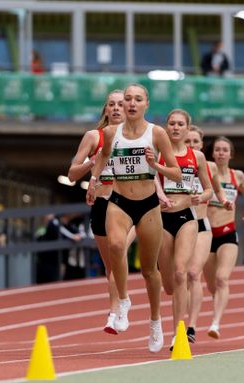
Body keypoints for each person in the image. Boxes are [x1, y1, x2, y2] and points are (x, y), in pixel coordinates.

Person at [87, 83, 182, 352]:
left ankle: (155, 322)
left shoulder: (158, 134)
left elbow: (175, 173)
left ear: (146, 104)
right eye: (127, 99)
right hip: (118, 201)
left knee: (151, 271)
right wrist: (94, 180)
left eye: (137, 99)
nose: (130, 104)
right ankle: (125, 301)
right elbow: (103, 158)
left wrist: (156, 165)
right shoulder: (109, 132)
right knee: (116, 246)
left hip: (148, 205)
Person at [68, 89, 132, 334]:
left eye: (120, 104)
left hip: (130, 204)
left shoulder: (139, 137)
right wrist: (90, 164)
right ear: (105, 109)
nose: (116, 108)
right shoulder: (93, 137)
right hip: (102, 205)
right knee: (110, 266)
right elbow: (72, 174)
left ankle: (115, 311)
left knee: (119, 253)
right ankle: (121, 300)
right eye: (111, 105)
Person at [157, 112, 214, 350]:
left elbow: (209, 189)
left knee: (182, 273)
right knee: (169, 285)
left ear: (187, 127)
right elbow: (148, 180)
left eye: (181, 124)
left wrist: (200, 196)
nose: (176, 127)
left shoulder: (197, 157)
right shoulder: (158, 153)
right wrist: (158, 194)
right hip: (161, 219)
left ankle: (178, 332)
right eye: (172, 124)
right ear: (166, 127)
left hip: (187, 218)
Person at [204, 136, 244, 339]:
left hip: (227, 232)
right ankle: (218, 304)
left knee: (222, 278)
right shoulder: (206, 171)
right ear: (213, 153)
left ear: (231, 154)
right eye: (218, 150)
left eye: (225, 150)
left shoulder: (238, 176)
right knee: (211, 285)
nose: (221, 153)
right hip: (207, 234)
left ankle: (215, 323)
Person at [184, 125, 231, 343]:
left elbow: (219, 190)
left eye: (195, 142)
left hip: (201, 225)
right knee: (175, 278)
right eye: (188, 141)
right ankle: (180, 318)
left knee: (194, 274)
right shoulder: (172, 161)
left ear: (202, 145)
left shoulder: (208, 166)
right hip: (178, 224)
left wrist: (223, 201)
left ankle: (191, 327)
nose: (191, 145)